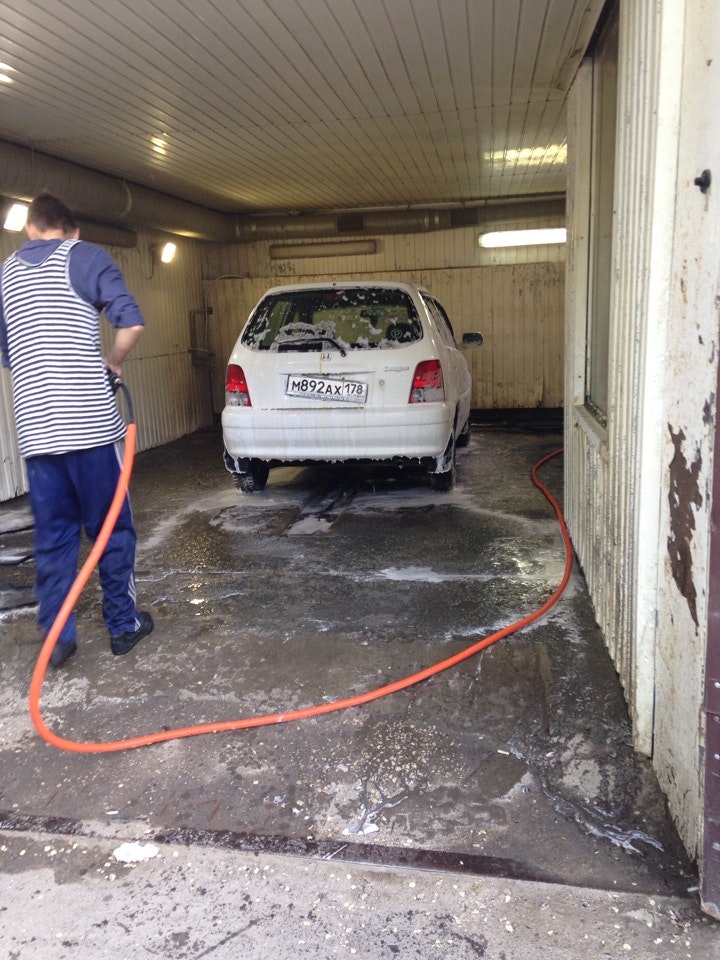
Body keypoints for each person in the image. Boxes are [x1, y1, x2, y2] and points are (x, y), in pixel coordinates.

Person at [0, 193, 154, 667]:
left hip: (38, 437)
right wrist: (112, 361)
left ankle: (57, 637)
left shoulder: (6, 275)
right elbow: (131, 323)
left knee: (54, 539)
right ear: (74, 231)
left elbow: (10, 354)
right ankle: (123, 625)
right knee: (112, 530)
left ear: (29, 228)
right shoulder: (85, 256)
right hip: (91, 431)